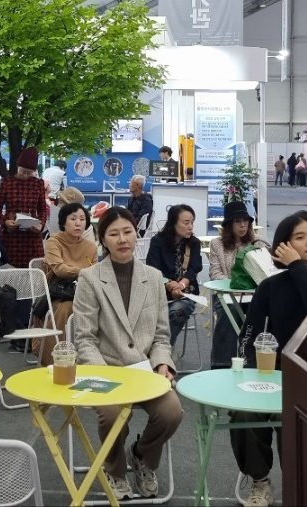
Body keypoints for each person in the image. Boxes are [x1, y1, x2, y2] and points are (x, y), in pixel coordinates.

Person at [231, 210, 307, 507]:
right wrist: (247, 373)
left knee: (291, 416)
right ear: (284, 246)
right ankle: (260, 479)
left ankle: (298, 485)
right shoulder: (271, 287)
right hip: (274, 374)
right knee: (243, 414)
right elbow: (248, 335)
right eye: (300, 237)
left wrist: (297, 266)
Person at [69, 207, 183, 499]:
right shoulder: (90, 278)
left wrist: (162, 365)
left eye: (128, 232)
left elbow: (161, 336)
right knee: (112, 414)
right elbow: (84, 338)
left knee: (171, 412)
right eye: (114, 234)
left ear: (136, 234)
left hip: (145, 371)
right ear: (102, 240)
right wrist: (104, 376)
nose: (122, 239)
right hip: (106, 370)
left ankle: (141, 454)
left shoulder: (154, 277)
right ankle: (115, 469)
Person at [207, 201, 266, 367]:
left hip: (253, 295)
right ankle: (222, 364)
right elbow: (215, 273)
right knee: (231, 309)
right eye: (238, 221)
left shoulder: (258, 242)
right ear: (229, 225)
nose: (243, 225)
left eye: (245, 221)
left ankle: (253, 361)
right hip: (226, 294)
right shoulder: (217, 244)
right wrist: (234, 287)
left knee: (260, 311)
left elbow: (265, 272)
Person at [40, 200, 97, 363]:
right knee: (67, 308)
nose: (78, 223)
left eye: (82, 219)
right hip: (60, 292)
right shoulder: (53, 242)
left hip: (85, 291)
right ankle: (57, 358)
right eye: (73, 219)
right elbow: (59, 270)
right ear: (63, 222)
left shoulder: (91, 247)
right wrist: (84, 271)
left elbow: (96, 274)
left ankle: (92, 357)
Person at [146, 203, 202, 341]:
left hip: (186, 293)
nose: (190, 226)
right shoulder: (158, 241)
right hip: (160, 292)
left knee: (178, 311)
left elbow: (194, 268)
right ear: (173, 223)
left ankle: (162, 346)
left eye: (192, 222)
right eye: (186, 223)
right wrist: (170, 285)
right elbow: (153, 268)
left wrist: (181, 285)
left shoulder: (194, 243)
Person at [0, 147, 48, 269]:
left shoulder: (38, 183)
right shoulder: (7, 182)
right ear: (18, 167)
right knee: (9, 271)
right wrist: (5, 222)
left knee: (33, 270)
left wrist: (41, 224)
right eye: (23, 171)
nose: (25, 175)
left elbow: (43, 209)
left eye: (29, 172)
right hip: (11, 236)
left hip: (32, 237)